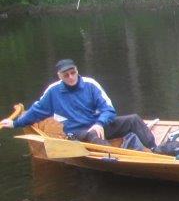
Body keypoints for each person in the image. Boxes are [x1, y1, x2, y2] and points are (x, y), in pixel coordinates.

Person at [1, 58, 156, 150]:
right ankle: (114, 157)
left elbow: (108, 110)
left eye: (73, 72)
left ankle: (155, 150)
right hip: (76, 133)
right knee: (92, 134)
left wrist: (100, 123)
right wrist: (15, 123)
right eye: (66, 75)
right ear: (59, 76)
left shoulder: (90, 84)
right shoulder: (53, 91)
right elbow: (36, 112)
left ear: (76, 70)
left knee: (133, 119)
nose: (71, 77)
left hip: (97, 126)